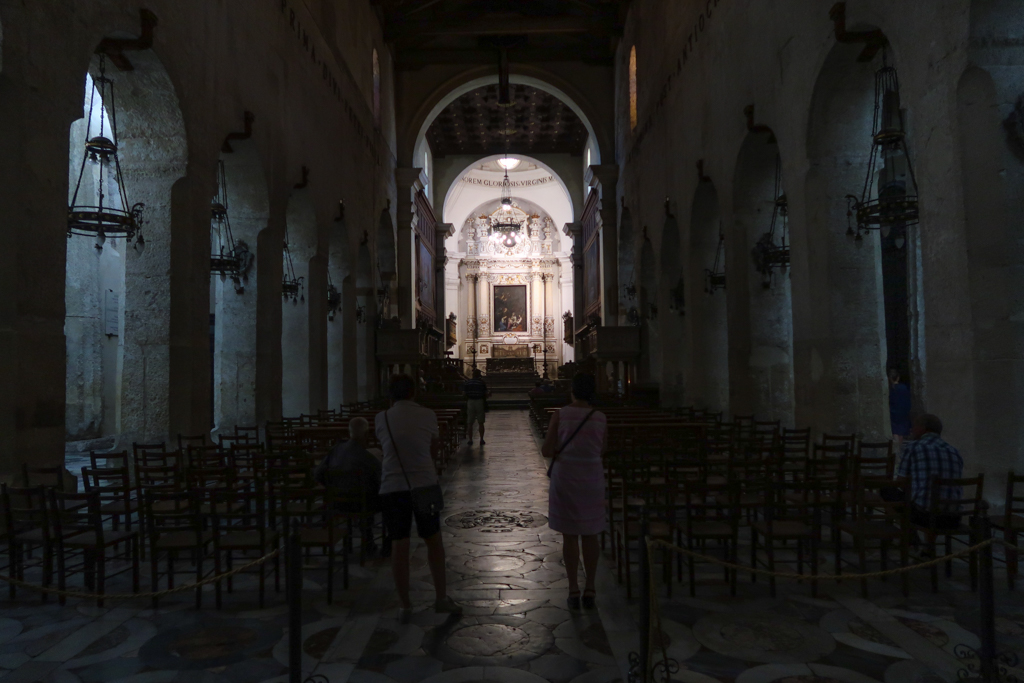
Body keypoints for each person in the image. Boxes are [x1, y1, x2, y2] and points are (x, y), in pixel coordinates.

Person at [375, 374, 462, 623]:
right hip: (424, 484)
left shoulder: (382, 418)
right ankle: (441, 597)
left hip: (393, 486)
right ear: (414, 392)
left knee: (399, 545)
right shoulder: (428, 415)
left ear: (390, 394)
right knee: (434, 541)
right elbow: (433, 448)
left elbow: (386, 447)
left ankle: (405, 605)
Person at [541, 373, 607, 611]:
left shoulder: (561, 415)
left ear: (572, 391)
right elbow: (602, 450)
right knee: (590, 533)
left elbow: (546, 450)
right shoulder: (600, 417)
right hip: (591, 479)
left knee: (569, 535)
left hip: (566, 478)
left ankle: (573, 589)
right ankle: (590, 588)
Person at [314, 417, 389, 557]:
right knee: (387, 500)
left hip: (336, 503)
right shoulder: (368, 458)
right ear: (366, 435)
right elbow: (381, 483)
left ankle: (353, 541)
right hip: (361, 505)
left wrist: (333, 488)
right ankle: (375, 542)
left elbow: (318, 474)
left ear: (349, 432)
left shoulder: (336, 450)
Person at [887, 413, 964, 529]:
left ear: (923, 428)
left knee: (887, 491)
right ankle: (917, 538)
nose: (911, 429)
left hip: (926, 516)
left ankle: (905, 535)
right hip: (953, 518)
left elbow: (900, 482)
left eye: (914, 426)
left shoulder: (914, 447)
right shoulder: (954, 451)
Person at [463, 368, 489, 446]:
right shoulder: (481, 383)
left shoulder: (468, 382)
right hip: (479, 401)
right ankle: (481, 439)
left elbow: (464, 393)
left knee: (470, 422)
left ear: (473, 375)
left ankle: (470, 440)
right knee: (481, 422)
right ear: (479, 375)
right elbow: (485, 393)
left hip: (470, 401)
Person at [888, 368, 912, 450]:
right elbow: (907, 401)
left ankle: (895, 449)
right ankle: (899, 449)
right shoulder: (903, 388)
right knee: (901, 432)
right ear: (898, 377)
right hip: (903, 412)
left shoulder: (890, 389)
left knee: (895, 431)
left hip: (892, 412)